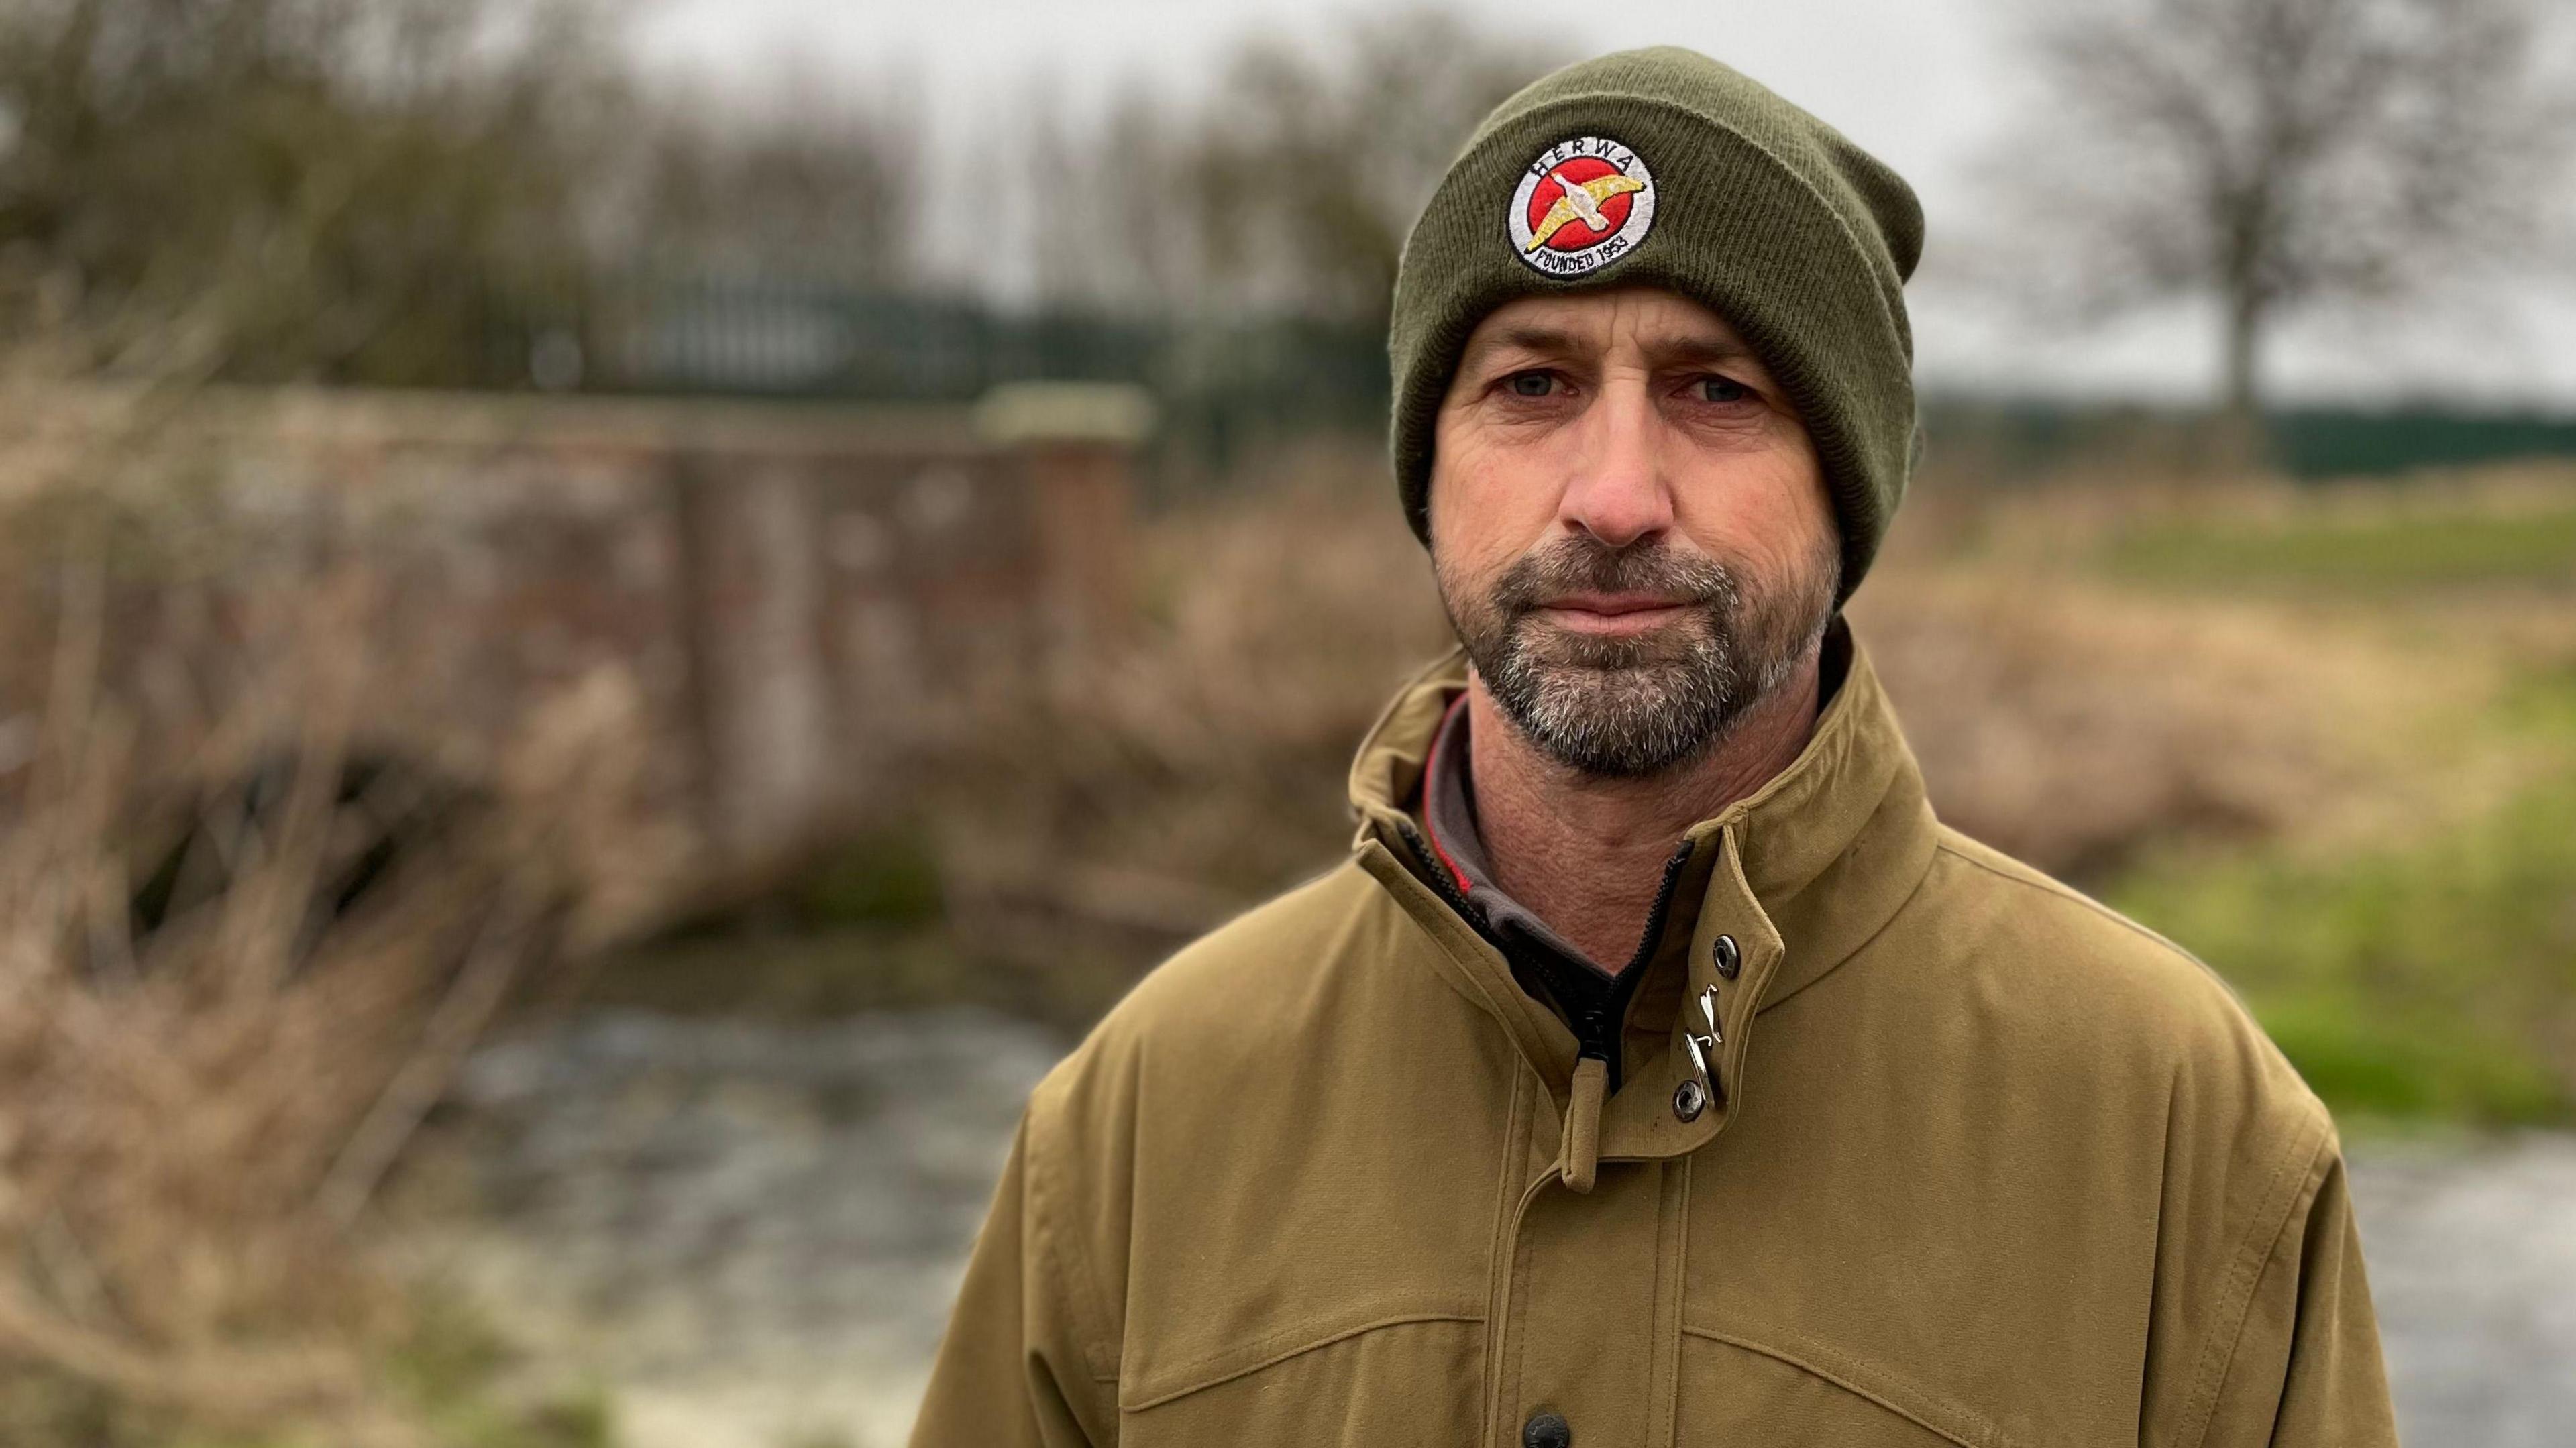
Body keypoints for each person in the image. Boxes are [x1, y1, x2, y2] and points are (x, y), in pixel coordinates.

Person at [911, 46, 2396, 1447]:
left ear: (1852, 490)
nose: (1614, 495)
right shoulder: (1137, 1123)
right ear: (1432, 470)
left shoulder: (2180, 1132)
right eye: (1532, 386)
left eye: (1716, 393)